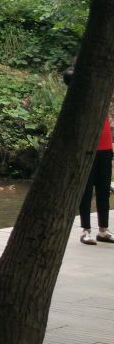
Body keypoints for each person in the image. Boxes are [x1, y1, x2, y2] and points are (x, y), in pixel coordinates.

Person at [63, 66, 114, 245]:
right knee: (86, 191)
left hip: (106, 146)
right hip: (87, 148)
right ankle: (86, 230)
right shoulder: (77, 100)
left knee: (103, 189)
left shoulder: (101, 93)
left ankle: (103, 230)